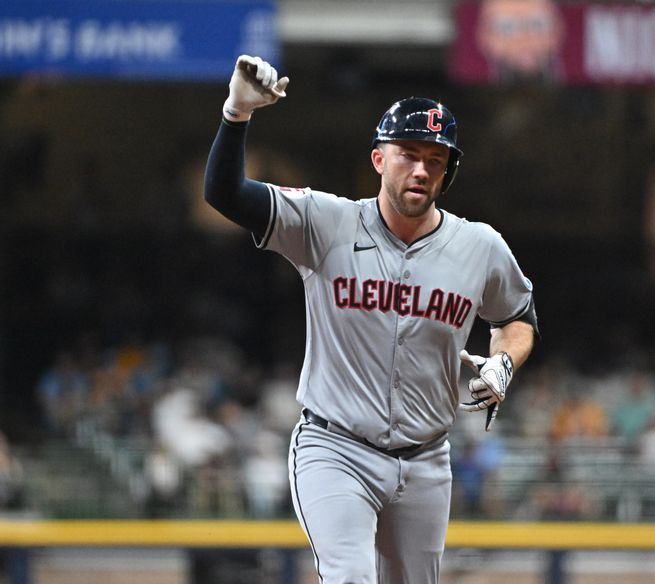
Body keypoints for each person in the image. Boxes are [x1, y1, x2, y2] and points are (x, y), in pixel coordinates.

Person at [204, 55, 538, 584]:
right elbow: (225, 194)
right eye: (409, 153)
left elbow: (519, 319)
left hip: (426, 458)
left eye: (436, 157)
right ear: (380, 158)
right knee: (352, 578)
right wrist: (236, 112)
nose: (422, 168)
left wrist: (503, 363)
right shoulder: (326, 222)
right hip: (336, 446)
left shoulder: (481, 247)